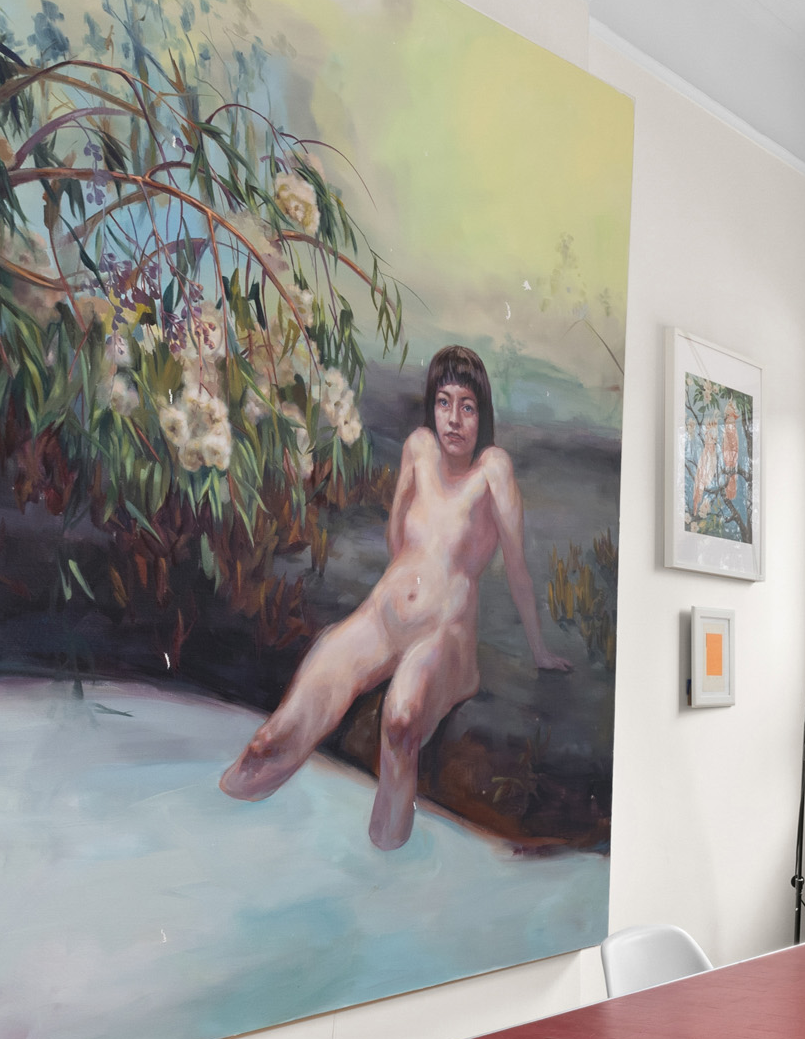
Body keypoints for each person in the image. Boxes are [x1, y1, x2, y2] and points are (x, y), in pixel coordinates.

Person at [220, 346, 573, 849]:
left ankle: (384, 862)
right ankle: (206, 831)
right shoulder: (419, 448)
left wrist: (539, 651)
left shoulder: (493, 470)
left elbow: (517, 567)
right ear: (432, 407)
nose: (454, 419)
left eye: (468, 407)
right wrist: (400, 593)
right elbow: (396, 536)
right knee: (267, 743)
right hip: (381, 621)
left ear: (483, 416)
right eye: (444, 403)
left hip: (443, 635)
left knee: (401, 721)